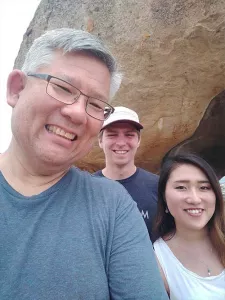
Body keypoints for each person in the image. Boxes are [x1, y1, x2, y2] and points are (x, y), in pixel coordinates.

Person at [0, 28, 168, 300]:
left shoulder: (113, 205)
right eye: (62, 88)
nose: (77, 112)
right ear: (16, 89)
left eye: (96, 104)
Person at [153, 153, 225, 300]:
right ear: (164, 198)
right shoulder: (157, 260)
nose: (194, 199)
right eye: (181, 187)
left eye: (204, 187)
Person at [94, 106, 159, 241]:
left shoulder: (159, 186)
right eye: (112, 135)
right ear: (100, 141)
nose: (121, 143)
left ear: (138, 141)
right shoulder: (86, 189)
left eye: (129, 135)